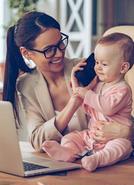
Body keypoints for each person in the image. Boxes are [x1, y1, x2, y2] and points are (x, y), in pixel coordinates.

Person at [3, 11, 132, 152]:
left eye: (60, 44)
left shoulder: (88, 69)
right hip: (63, 164)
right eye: (49, 50)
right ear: (27, 53)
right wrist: (75, 100)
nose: (59, 53)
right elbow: (38, 141)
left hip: (103, 158)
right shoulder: (26, 85)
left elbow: (122, 111)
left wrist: (127, 132)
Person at [42, 32, 134, 172]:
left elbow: (107, 107)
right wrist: (77, 86)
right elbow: (89, 107)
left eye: (104, 64)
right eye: (96, 62)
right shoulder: (99, 85)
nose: (97, 67)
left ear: (123, 68)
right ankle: (68, 151)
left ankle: (97, 159)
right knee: (72, 137)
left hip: (114, 138)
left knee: (122, 147)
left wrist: (86, 93)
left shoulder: (123, 89)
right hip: (92, 135)